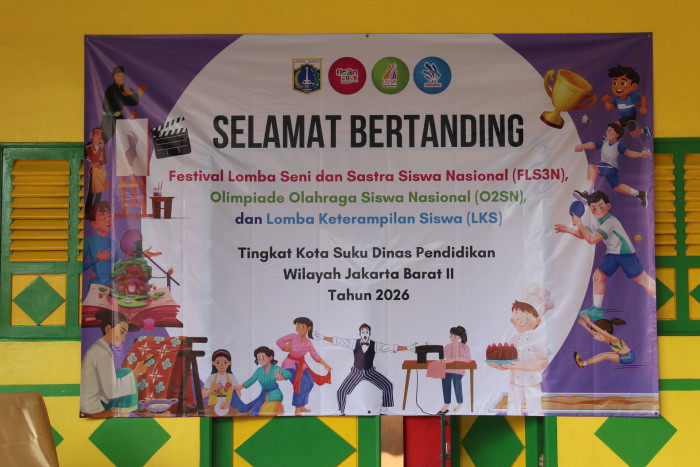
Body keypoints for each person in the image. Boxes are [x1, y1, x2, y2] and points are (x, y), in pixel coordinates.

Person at [554, 190, 656, 320]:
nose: (597, 210)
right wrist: (569, 229)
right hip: (612, 254)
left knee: (643, 280)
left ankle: (656, 299)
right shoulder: (597, 221)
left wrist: (579, 223)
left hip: (625, 255)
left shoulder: (611, 222)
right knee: (597, 277)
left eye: (600, 206)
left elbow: (592, 239)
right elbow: (586, 235)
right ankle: (597, 310)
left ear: (608, 206)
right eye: (593, 208)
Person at [314, 323, 416, 415]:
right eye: (363, 332)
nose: (365, 334)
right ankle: (341, 411)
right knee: (341, 391)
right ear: (360, 334)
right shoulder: (353, 343)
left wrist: (408, 348)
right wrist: (322, 337)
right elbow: (338, 341)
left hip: (370, 372)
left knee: (388, 385)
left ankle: (384, 409)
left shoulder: (375, 345)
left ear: (370, 334)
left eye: (367, 332)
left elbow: (391, 347)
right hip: (356, 372)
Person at [488, 299, 551, 416]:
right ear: (512, 321)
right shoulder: (513, 339)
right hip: (515, 382)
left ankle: (536, 425)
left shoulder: (537, 339)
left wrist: (522, 365)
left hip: (532, 381)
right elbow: (508, 363)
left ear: (538, 321)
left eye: (526, 318)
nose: (521, 321)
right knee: (513, 410)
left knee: (535, 410)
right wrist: (498, 366)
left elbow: (544, 362)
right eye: (517, 318)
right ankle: (512, 426)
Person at [80, 309, 147, 415]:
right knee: (128, 374)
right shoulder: (102, 353)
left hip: (89, 400)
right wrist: (135, 372)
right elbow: (111, 392)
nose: (123, 339)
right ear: (108, 329)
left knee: (124, 372)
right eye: (121, 332)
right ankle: (124, 417)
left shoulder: (98, 348)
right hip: (93, 405)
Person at [574, 122, 651, 207]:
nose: (607, 132)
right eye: (607, 130)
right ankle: (639, 193)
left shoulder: (618, 145)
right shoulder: (604, 142)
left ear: (616, 135)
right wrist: (582, 146)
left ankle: (587, 195)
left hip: (610, 168)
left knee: (592, 167)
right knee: (617, 186)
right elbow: (592, 145)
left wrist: (641, 154)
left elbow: (629, 153)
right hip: (607, 168)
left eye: (610, 130)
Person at [276, 317, 332, 415]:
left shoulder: (308, 342)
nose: (299, 328)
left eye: (302, 326)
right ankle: (297, 409)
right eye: (297, 325)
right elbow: (279, 341)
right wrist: (284, 347)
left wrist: (325, 364)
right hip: (290, 364)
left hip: (301, 365)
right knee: (301, 383)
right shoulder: (293, 336)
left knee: (310, 382)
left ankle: (302, 406)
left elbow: (314, 354)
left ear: (308, 328)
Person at [230, 346, 292, 416]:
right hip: (263, 395)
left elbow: (289, 374)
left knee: (263, 410)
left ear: (270, 358)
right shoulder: (259, 370)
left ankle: (279, 408)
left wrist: (282, 377)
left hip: (275, 394)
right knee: (251, 409)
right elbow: (251, 380)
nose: (260, 360)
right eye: (258, 358)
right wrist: (241, 386)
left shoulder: (275, 368)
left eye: (263, 357)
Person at [100, 66, 147, 142]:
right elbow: (122, 99)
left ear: (124, 76)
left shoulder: (124, 87)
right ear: (113, 77)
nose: (120, 78)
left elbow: (134, 102)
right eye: (118, 76)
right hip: (109, 117)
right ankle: (88, 149)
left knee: (128, 136)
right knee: (103, 138)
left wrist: (136, 95)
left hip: (119, 116)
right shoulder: (111, 89)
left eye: (122, 75)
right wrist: (136, 94)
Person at [438, 325, 471, 415]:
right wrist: (442, 360)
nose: (452, 337)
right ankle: (446, 403)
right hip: (447, 370)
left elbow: (468, 359)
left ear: (460, 337)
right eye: (451, 335)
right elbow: (442, 357)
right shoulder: (447, 346)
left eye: (455, 336)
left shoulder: (464, 347)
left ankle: (459, 402)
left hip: (458, 370)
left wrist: (455, 359)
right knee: (445, 382)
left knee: (457, 381)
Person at [602, 64, 647, 130]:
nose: (618, 87)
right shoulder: (617, 99)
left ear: (634, 86)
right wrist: (606, 101)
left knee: (612, 126)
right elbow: (609, 107)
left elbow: (643, 97)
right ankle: (639, 130)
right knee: (616, 127)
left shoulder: (630, 97)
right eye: (615, 83)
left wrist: (643, 106)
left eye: (623, 83)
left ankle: (633, 128)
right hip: (625, 119)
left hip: (631, 118)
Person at [83, 201, 117, 287]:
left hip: (112, 287)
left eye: (109, 216)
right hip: (95, 287)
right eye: (103, 218)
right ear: (94, 224)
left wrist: (138, 254)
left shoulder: (113, 242)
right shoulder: (88, 241)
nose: (108, 220)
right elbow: (79, 266)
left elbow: (121, 264)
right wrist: (97, 259)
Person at [201, 349, 240, 414]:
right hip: (212, 408)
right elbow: (203, 395)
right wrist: (211, 388)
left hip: (229, 407)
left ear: (229, 363)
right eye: (218, 362)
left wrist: (229, 403)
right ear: (213, 363)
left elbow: (238, 393)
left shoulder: (231, 377)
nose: (222, 365)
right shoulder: (211, 377)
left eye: (225, 362)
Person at [84, 127, 109, 212]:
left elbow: (105, 160)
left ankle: (96, 209)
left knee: (99, 192)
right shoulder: (89, 148)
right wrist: (101, 149)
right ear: (92, 136)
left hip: (101, 172)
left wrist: (102, 149)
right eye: (97, 134)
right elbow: (94, 159)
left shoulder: (102, 147)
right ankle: (87, 210)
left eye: (101, 135)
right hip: (93, 173)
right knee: (91, 191)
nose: (99, 137)